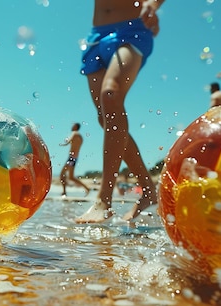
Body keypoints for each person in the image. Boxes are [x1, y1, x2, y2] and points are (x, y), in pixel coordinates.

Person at [75, 0, 164, 224]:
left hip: (132, 28)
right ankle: (148, 188)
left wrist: (153, 3)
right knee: (104, 117)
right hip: (97, 35)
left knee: (110, 95)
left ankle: (104, 200)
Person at [59, 122, 91, 197]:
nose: (71, 126)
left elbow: (68, 141)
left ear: (76, 127)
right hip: (75, 158)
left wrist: (64, 142)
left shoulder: (74, 133)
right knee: (71, 177)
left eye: (73, 125)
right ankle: (87, 188)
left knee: (62, 174)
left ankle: (64, 192)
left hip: (71, 158)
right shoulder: (81, 137)